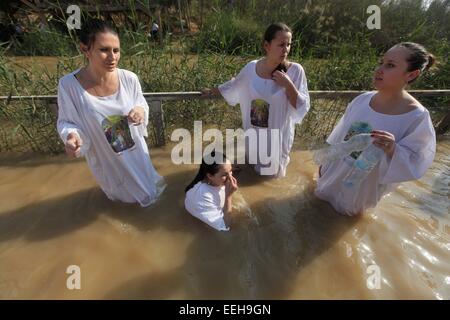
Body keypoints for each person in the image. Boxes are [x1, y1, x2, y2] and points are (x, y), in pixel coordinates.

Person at [315, 42, 437, 215]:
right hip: (333, 174)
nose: (379, 69)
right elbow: (340, 136)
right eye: (381, 62)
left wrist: (393, 149)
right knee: (316, 207)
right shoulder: (362, 100)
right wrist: (325, 164)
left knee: (345, 221)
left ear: (411, 74)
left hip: (362, 188)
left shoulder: (416, 117)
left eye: (390, 65)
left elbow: (417, 162)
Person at [57, 18, 166, 207]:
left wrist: (140, 111)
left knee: (152, 198)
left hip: (136, 155)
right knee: (121, 203)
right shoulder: (69, 86)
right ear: (85, 49)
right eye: (104, 50)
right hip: (107, 161)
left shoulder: (129, 79)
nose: (112, 57)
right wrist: (71, 136)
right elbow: (67, 121)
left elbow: (141, 103)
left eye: (116, 50)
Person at [202, 23, 310, 177]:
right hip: (254, 136)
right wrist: (213, 90)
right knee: (253, 175)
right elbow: (234, 85)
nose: (285, 49)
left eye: (288, 44)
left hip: (277, 141)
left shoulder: (295, 71)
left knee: (273, 179)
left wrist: (288, 85)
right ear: (267, 45)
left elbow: (301, 107)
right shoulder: (251, 68)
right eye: (281, 45)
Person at [184, 151, 238, 231]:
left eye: (231, 170)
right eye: (225, 174)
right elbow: (225, 226)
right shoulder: (203, 196)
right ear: (210, 176)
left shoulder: (213, 180)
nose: (231, 177)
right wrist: (228, 196)